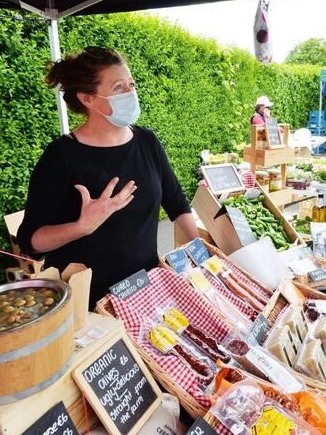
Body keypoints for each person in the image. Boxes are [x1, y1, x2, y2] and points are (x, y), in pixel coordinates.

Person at [17, 46, 199, 307]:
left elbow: (176, 201)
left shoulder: (147, 141)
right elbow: (30, 240)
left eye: (131, 84)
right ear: (87, 99)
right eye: (118, 87)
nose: (131, 93)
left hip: (144, 289)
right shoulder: (61, 156)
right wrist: (82, 226)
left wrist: (200, 251)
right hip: (87, 302)